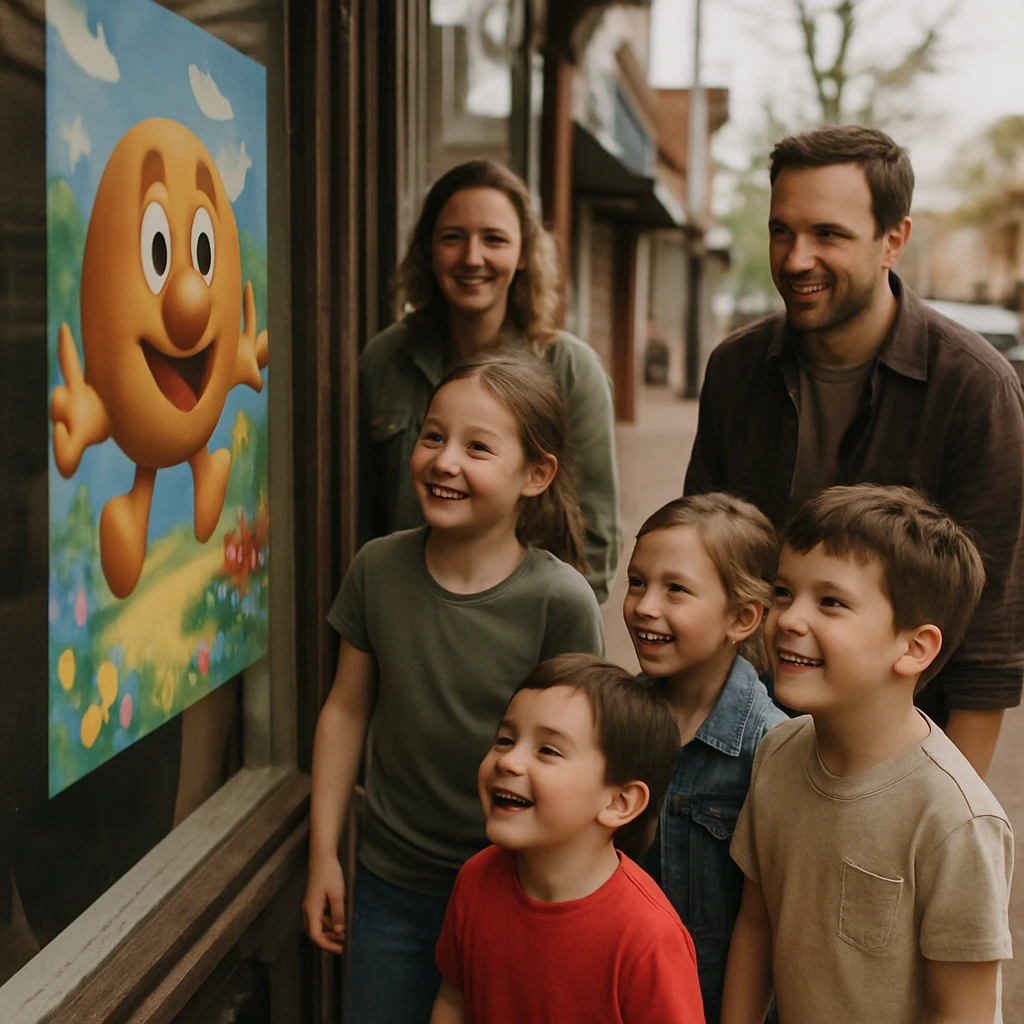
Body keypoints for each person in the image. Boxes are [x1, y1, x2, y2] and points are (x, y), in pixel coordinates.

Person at [684, 124, 1024, 777]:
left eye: (828, 235)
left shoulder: (975, 389)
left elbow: (989, 637)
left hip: (895, 753)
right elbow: (705, 559)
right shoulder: (736, 368)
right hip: (741, 734)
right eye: (782, 230)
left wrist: (948, 816)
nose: (795, 258)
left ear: (893, 239)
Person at [302, 353, 605, 1024]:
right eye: (433, 436)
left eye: (477, 447)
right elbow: (346, 711)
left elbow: (581, 758)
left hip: (516, 889)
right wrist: (326, 854)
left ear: (537, 474)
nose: (443, 461)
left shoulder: (560, 600)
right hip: (392, 885)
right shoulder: (377, 569)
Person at [721, 485, 1014, 1024]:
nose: (788, 618)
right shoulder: (778, 751)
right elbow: (757, 926)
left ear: (913, 648)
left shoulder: (955, 819)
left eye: (830, 602)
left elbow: (964, 1011)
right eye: (784, 592)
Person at [359, 159, 621, 602]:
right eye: (452, 238)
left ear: (523, 255)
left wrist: (558, 645)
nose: (472, 258)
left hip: (524, 638)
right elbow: (361, 514)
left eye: (494, 239)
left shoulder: (571, 371)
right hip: (401, 622)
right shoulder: (385, 359)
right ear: (427, 249)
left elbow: (594, 540)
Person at [430, 654, 705, 1024]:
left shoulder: (648, 938)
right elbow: (454, 999)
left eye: (548, 750)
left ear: (619, 802)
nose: (509, 762)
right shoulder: (475, 879)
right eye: (505, 739)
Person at [624, 494, 788, 1022]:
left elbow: (773, 924)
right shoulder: (614, 719)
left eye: (675, 589)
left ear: (741, 617)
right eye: (636, 581)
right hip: (628, 994)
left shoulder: (772, 747)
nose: (645, 606)